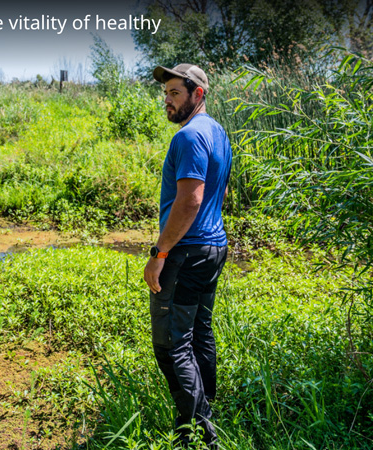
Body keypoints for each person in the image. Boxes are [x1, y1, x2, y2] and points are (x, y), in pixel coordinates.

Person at [144, 63, 232, 448]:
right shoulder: (218, 133)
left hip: (186, 253)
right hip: (214, 247)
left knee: (170, 343)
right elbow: (220, 193)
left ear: (198, 94)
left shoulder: (189, 137)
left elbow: (191, 199)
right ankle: (206, 411)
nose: (167, 100)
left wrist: (160, 251)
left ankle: (195, 433)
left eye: (175, 93)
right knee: (199, 333)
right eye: (166, 93)